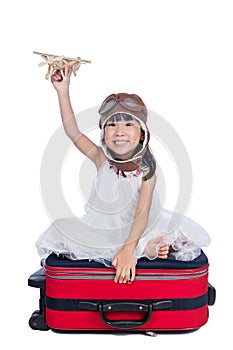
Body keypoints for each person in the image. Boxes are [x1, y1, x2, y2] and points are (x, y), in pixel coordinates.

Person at [36, 68, 210, 284]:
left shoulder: (146, 171)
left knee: (181, 237)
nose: (119, 131)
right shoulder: (101, 159)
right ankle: (145, 248)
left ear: (142, 134)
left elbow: (141, 215)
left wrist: (129, 249)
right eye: (112, 124)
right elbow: (72, 131)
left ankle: (143, 247)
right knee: (64, 230)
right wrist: (63, 91)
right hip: (105, 228)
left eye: (128, 124)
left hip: (139, 226)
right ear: (103, 133)